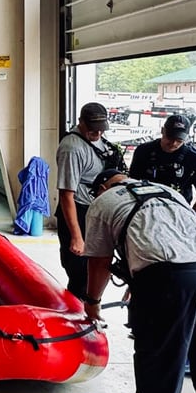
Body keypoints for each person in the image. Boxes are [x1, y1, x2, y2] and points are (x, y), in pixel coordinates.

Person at [83, 169, 196, 393]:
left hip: (171, 281)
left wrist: (92, 302)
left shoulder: (103, 201)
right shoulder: (166, 191)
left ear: (102, 188)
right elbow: (172, 236)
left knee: (159, 375)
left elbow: (99, 261)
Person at [55, 102, 125, 300]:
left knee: (95, 270)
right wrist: (77, 236)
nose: (98, 132)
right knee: (79, 274)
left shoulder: (101, 141)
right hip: (79, 211)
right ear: (81, 122)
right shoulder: (72, 148)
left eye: (101, 128)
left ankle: (90, 310)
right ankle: (76, 317)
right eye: (93, 128)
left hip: (98, 211)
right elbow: (66, 194)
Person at [129, 114, 196, 211]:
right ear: (162, 130)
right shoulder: (143, 151)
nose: (173, 143)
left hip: (179, 211)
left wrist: (192, 217)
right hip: (145, 210)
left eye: (179, 140)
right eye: (170, 138)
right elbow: (131, 184)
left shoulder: (195, 158)